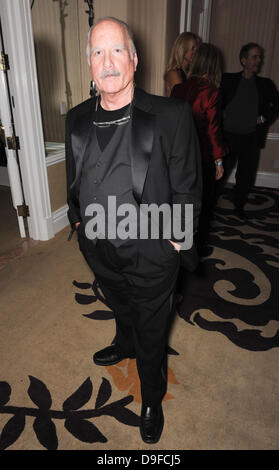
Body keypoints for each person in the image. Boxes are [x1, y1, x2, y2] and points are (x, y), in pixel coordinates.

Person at [66, 17, 202, 444]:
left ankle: (151, 397)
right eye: (97, 53)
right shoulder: (75, 119)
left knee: (151, 328)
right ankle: (122, 341)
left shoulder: (171, 114)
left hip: (151, 248)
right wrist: (77, 220)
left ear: (135, 58)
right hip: (97, 244)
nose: (107, 62)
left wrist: (177, 240)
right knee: (119, 302)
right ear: (89, 62)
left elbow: (188, 185)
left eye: (116, 50)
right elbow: (75, 176)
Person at [171, 43, 227, 254]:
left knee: (180, 202)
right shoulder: (212, 92)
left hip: (177, 155)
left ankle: (178, 242)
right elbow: (213, 130)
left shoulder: (179, 88)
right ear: (213, 64)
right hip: (200, 157)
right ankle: (195, 247)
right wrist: (219, 161)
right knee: (201, 204)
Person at [220, 42, 279, 219]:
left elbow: (276, 104)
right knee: (220, 173)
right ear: (243, 60)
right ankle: (210, 203)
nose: (258, 60)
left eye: (259, 57)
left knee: (245, 175)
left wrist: (263, 118)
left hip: (250, 137)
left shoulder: (265, 84)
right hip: (227, 136)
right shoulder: (228, 80)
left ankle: (239, 206)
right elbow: (215, 100)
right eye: (254, 56)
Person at [164, 32, 200, 97]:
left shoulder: (189, 72)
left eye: (196, 49)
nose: (195, 52)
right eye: (193, 49)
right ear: (183, 49)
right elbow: (180, 99)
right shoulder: (173, 73)